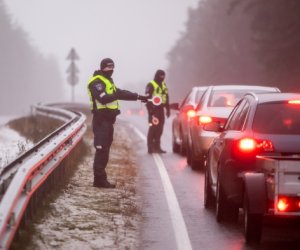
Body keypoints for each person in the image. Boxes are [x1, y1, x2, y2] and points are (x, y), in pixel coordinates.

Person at [87, 58, 148, 188]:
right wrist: (117, 94)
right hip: (101, 120)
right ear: (102, 68)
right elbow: (103, 99)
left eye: (112, 68)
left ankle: (101, 179)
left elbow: (119, 93)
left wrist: (138, 97)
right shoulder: (96, 82)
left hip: (108, 121)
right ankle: (99, 180)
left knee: (106, 150)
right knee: (101, 150)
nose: (111, 71)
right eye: (108, 68)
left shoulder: (108, 81)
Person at [145, 69, 170, 154]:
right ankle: (150, 147)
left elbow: (166, 97)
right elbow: (147, 99)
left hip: (161, 110)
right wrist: (150, 112)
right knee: (153, 128)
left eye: (164, 76)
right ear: (157, 75)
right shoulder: (151, 84)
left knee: (160, 129)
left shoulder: (163, 85)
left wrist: (168, 109)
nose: (162, 77)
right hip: (153, 110)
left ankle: (157, 147)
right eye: (161, 76)